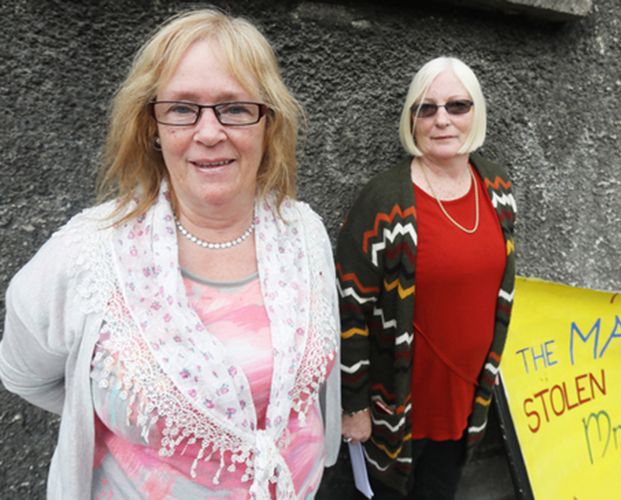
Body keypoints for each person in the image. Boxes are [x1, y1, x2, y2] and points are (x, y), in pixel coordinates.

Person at [0, 9, 340, 499]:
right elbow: (26, 375)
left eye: (235, 107)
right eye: (182, 108)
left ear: (269, 121)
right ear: (152, 126)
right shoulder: (88, 256)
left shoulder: (303, 231)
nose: (208, 132)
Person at [336, 56, 517, 499]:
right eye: (426, 108)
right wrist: (354, 405)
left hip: (465, 400)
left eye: (457, 106)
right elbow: (348, 306)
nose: (442, 120)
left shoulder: (496, 187)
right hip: (394, 406)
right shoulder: (384, 200)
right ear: (411, 119)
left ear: (476, 114)